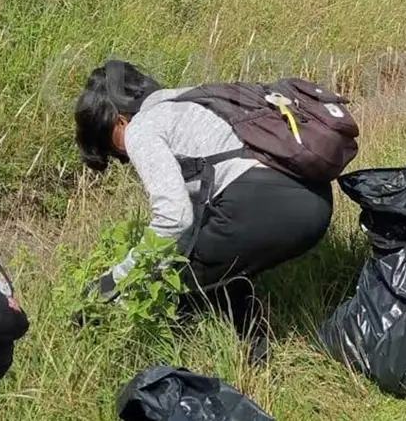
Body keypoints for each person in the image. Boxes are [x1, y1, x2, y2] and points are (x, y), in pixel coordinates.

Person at [73, 60, 335, 361]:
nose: (123, 157)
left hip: (266, 205)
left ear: (119, 121)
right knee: (213, 260)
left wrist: (114, 282)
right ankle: (255, 355)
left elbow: (175, 220)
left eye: (113, 147)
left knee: (177, 278)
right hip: (315, 199)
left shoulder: (141, 128)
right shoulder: (190, 99)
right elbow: (194, 220)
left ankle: (176, 360)